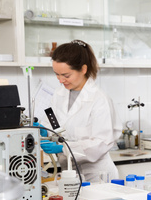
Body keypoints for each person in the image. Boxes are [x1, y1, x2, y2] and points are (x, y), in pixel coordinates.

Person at [38, 40, 122, 182]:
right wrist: (45, 131)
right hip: (69, 174)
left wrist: (63, 148)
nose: (60, 80)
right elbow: (54, 126)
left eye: (66, 75)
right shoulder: (59, 95)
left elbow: (100, 143)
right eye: (57, 74)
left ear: (83, 69)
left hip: (97, 176)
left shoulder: (99, 99)